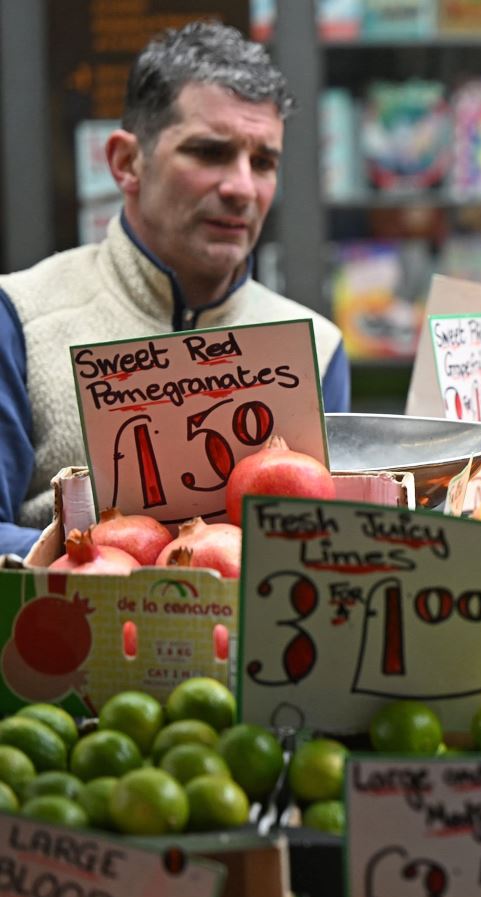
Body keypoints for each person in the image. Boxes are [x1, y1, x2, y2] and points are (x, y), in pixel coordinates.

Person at [0, 21, 349, 559]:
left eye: (263, 162)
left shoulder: (317, 348)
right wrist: (111, 566)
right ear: (125, 162)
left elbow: (330, 552)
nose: (241, 188)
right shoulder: (21, 315)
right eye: (210, 153)